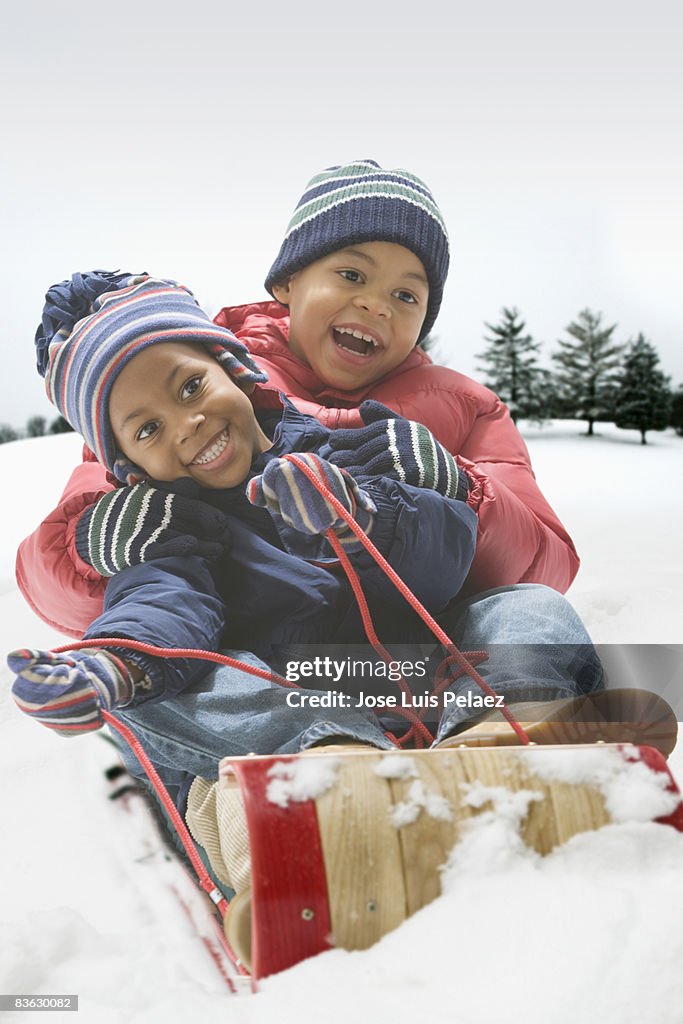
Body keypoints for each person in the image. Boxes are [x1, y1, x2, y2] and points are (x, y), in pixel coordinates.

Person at [17, 160, 578, 637]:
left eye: (406, 294)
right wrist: (91, 548)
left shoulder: (465, 406)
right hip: (263, 660)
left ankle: (509, 726)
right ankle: (280, 753)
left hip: (421, 646)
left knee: (534, 614)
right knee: (160, 661)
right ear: (287, 282)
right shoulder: (185, 373)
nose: (378, 305)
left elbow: (546, 566)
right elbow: (52, 583)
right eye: (352, 273)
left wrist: (462, 487)